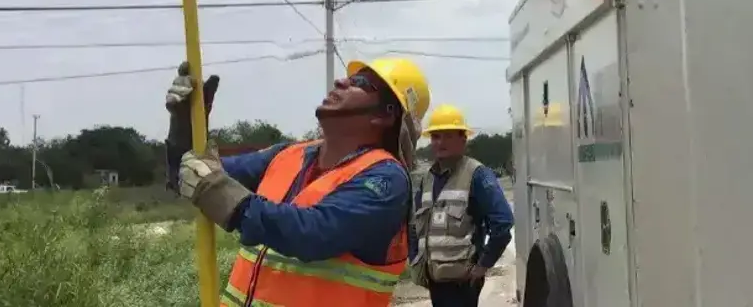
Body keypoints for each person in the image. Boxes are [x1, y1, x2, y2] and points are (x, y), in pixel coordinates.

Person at [164, 56, 429, 307]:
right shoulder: (288, 155)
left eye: (359, 83)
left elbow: (313, 234)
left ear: (384, 115)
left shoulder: (386, 181)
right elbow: (192, 175)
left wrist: (220, 194)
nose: (340, 82)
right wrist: (185, 127)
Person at [410, 104, 514, 307]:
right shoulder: (427, 179)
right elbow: (415, 226)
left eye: (448, 136)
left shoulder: (477, 175)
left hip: (463, 283)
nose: (441, 142)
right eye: (436, 136)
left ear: (463, 138)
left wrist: (482, 267)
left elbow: (503, 224)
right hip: (435, 281)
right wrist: (415, 260)